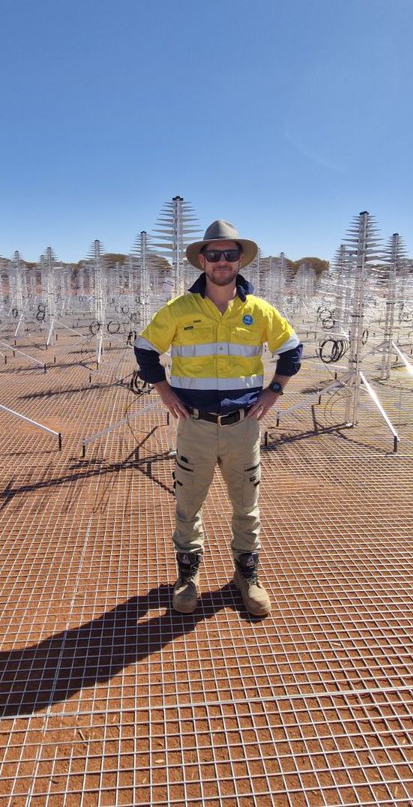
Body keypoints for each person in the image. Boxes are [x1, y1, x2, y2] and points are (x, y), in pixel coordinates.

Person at [134, 219, 302, 616]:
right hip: (195, 426)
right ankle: (187, 578)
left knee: (246, 506)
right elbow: (145, 350)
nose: (222, 261)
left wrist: (273, 391)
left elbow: (292, 351)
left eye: (229, 254)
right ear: (202, 261)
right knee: (188, 506)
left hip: (243, 427)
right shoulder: (180, 309)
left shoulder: (259, 311)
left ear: (240, 259)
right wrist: (164, 389)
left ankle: (248, 576)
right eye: (214, 255)